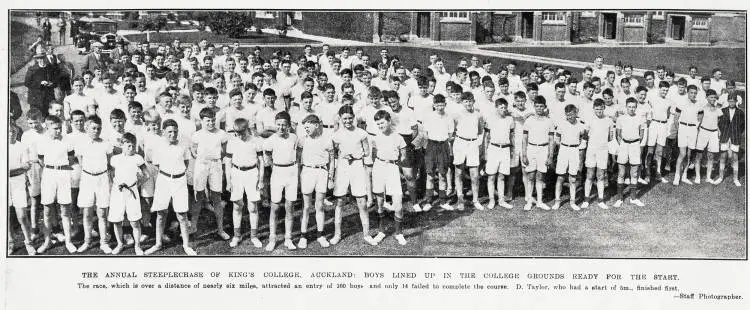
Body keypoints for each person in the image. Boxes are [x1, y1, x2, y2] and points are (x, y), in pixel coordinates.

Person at [145, 119, 197, 255]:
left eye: (175, 131)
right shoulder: (159, 147)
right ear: (163, 132)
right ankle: (157, 243)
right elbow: (156, 164)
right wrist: (168, 174)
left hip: (179, 181)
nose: (172, 134)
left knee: (182, 215)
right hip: (164, 180)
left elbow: (185, 163)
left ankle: (186, 245)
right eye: (169, 132)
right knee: (161, 214)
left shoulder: (183, 146)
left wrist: (176, 174)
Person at [331, 105, 378, 246]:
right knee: (339, 201)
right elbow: (333, 153)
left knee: (361, 202)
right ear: (340, 119)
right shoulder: (336, 135)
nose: (347, 121)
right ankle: (337, 234)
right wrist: (342, 156)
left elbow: (367, 152)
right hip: (342, 167)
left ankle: (367, 234)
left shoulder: (362, 133)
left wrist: (357, 155)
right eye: (344, 119)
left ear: (354, 117)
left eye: (350, 118)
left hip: (357, 166)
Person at [36, 115, 77, 254]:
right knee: (47, 210)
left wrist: (60, 168)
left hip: (64, 174)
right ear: (47, 128)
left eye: (60, 128)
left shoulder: (68, 140)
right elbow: (41, 160)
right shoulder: (42, 141)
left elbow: (71, 159)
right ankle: (47, 242)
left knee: (65, 209)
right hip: (48, 174)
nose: (58, 131)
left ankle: (68, 241)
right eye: (55, 129)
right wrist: (51, 168)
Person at [74, 115, 113, 253]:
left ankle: (103, 242)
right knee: (87, 213)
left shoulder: (106, 143)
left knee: (102, 213)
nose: (96, 131)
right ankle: (88, 241)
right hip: (87, 179)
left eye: (99, 128)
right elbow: (80, 159)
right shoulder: (81, 143)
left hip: (102, 179)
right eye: (93, 128)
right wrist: (89, 172)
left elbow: (109, 161)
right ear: (86, 128)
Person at [224, 117, 265, 249]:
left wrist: (261, 180)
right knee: (237, 206)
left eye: (242, 132)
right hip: (236, 174)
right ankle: (237, 235)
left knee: (252, 207)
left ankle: (254, 236)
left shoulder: (255, 141)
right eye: (237, 133)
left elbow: (261, 162)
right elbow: (228, 163)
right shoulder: (232, 142)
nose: (239, 135)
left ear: (247, 129)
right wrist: (229, 181)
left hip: (252, 173)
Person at [190, 107, 230, 240]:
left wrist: (214, 158)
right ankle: (193, 227)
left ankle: (220, 229)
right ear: (201, 121)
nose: (211, 123)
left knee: (217, 197)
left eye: (213, 120)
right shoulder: (197, 135)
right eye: (208, 121)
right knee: (198, 196)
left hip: (216, 165)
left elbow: (224, 151)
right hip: (201, 165)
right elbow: (193, 150)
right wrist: (201, 156)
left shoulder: (222, 134)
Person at [370, 110, 408, 245]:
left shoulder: (398, 137)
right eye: (378, 123)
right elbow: (374, 153)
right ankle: (381, 231)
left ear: (389, 121)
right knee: (379, 202)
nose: (380, 126)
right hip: (379, 167)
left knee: (398, 204)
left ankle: (399, 233)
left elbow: (403, 155)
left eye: (382, 123)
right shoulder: (375, 137)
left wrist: (397, 161)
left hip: (392, 168)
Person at [263, 111, 299, 251]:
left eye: (284, 125)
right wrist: (272, 165)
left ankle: (288, 239)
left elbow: (299, 153)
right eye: (278, 124)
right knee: (275, 207)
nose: (281, 127)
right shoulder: (271, 139)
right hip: (277, 172)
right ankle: (272, 238)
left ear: (288, 125)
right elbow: (266, 152)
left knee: (289, 207)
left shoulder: (294, 138)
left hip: (291, 172)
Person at [108, 133, 149, 255]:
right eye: (128, 146)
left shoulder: (138, 158)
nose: (131, 148)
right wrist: (115, 184)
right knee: (116, 220)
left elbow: (146, 174)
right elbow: (111, 173)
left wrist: (136, 184)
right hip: (118, 191)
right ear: (122, 145)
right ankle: (120, 244)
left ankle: (137, 245)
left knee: (134, 221)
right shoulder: (115, 159)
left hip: (132, 192)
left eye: (133, 146)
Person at [297, 115, 334, 248]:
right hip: (307, 172)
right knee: (306, 207)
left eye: (308, 126)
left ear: (317, 125)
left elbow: (332, 160)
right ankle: (303, 235)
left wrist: (331, 178)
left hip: (322, 172)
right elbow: (298, 160)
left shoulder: (327, 140)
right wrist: (298, 177)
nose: (306, 129)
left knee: (319, 206)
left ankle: (320, 234)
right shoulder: (302, 140)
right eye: (304, 127)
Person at [421, 94, 455, 212]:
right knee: (430, 175)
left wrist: (443, 140)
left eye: (442, 105)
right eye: (437, 105)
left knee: (442, 174)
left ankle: (443, 201)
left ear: (445, 104)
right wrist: (430, 143)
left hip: (443, 146)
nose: (440, 107)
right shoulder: (429, 116)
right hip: (431, 145)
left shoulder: (449, 117)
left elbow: (450, 135)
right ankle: (428, 201)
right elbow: (425, 132)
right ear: (434, 105)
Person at [452, 92, 484, 211]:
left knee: (474, 175)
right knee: (459, 172)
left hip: (473, 144)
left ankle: (475, 200)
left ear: (473, 101)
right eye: (466, 101)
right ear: (462, 102)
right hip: (460, 142)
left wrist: (478, 144)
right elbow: (453, 129)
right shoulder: (457, 115)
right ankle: (460, 199)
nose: (468, 103)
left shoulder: (478, 115)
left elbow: (480, 131)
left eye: (470, 101)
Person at [521, 96, 554, 211]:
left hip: (543, 149)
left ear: (545, 107)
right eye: (537, 106)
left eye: (541, 106)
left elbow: (551, 140)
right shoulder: (529, 120)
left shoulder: (549, 121)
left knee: (540, 176)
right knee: (530, 175)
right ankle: (529, 201)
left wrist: (550, 155)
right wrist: (524, 154)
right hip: (531, 148)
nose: (539, 108)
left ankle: (539, 201)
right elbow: (524, 139)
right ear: (534, 107)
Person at [552, 104, 587, 211]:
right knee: (561, 177)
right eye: (567, 115)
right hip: (563, 150)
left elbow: (584, 138)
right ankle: (557, 201)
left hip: (575, 151)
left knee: (572, 178)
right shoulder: (562, 124)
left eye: (571, 115)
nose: (569, 117)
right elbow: (557, 139)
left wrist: (578, 146)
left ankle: (572, 202)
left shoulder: (581, 125)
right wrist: (563, 146)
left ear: (576, 113)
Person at [9, 126, 37, 255]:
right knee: (6, 216)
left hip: (18, 184)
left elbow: (25, 167)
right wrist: (17, 168)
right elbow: (21, 167)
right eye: (7, 132)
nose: (10, 134)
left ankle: (28, 242)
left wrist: (10, 171)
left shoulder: (22, 147)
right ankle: (10, 243)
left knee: (22, 216)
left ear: (17, 133)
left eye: (13, 132)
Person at [614, 98, 646, 207]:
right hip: (624, 145)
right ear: (626, 107)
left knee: (634, 173)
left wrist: (634, 142)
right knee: (621, 173)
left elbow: (641, 134)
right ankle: (619, 198)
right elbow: (618, 135)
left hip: (635, 145)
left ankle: (633, 198)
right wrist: (623, 144)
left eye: (633, 107)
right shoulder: (620, 118)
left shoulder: (640, 118)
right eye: (629, 107)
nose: (631, 109)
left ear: (636, 107)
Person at [582, 99, 614, 209]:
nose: (599, 111)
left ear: (604, 108)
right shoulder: (589, 119)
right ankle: (586, 199)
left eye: (601, 108)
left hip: (603, 151)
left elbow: (610, 137)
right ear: (593, 109)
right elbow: (585, 135)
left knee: (600, 176)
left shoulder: (609, 121)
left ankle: (601, 200)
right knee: (590, 175)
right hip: (591, 150)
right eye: (597, 109)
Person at [484, 98, 515, 210]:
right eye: (501, 107)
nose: (503, 109)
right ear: (496, 108)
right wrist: (486, 154)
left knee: (502, 176)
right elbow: (486, 137)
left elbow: (512, 137)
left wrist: (512, 150)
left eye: (505, 107)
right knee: (491, 176)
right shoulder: (490, 119)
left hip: (505, 149)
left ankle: (501, 200)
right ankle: (492, 199)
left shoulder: (510, 119)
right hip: (493, 149)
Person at [672, 85, 702, 185]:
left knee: (689, 155)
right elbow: (676, 118)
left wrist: (696, 127)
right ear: (688, 92)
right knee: (682, 154)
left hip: (693, 129)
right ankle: (677, 176)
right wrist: (679, 129)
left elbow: (700, 117)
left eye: (695, 93)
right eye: (691, 93)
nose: (693, 95)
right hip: (683, 129)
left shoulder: (699, 104)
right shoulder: (681, 102)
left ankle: (684, 175)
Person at [694, 90, 723, 184]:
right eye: (711, 97)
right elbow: (698, 121)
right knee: (699, 155)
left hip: (713, 133)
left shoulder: (718, 110)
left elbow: (718, 122)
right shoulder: (702, 108)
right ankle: (698, 176)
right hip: (703, 131)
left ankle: (708, 177)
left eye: (714, 97)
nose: (713, 99)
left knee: (711, 156)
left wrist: (718, 131)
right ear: (706, 97)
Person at [717, 93, 744, 187]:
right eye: (730, 101)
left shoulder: (740, 112)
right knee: (723, 156)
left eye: (733, 101)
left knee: (735, 157)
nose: (732, 103)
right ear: (728, 101)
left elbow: (742, 126)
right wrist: (723, 132)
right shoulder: (723, 111)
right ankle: (720, 177)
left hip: (735, 136)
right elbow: (719, 123)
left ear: (736, 102)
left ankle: (736, 179)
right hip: (725, 136)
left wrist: (736, 133)